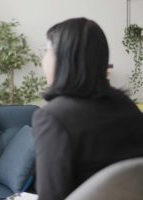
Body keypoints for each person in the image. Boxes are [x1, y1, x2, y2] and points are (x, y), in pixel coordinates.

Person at [32, 17, 143, 200]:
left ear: (64, 57)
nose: (43, 60)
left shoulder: (52, 117)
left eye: (46, 51)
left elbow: (51, 195)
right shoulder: (127, 106)